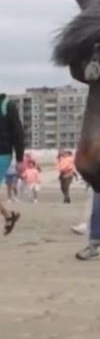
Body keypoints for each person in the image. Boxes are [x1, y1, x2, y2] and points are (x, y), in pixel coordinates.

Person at [0, 92, 25, 234]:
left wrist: (20, 159)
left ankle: (9, 216)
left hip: (2, 153)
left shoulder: (7, 105)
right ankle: (9, 215)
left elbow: (18, 133)